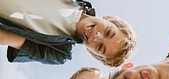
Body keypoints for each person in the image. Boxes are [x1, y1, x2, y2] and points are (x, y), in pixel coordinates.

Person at [0, 0, 137, 67]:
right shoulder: (74, 3)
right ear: (109, 19)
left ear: (92, 52)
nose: (97, 37)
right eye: (108, 32)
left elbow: (11, 39)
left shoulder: (59, 53)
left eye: (100, 47)